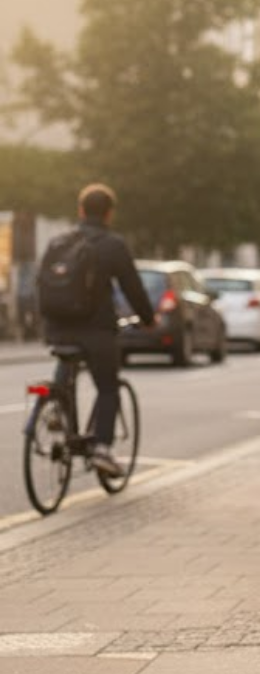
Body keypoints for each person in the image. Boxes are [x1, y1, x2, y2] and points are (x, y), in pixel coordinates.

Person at [41, 183, 156, 478]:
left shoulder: (59, 242)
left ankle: (56, 406)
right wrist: (147, 318)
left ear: (81, 210)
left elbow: (41, 284)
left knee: (66, 358)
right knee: (108, 387)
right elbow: (132, 287)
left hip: (58, 327)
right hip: (96, 330)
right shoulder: (112, 245)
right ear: (109, 214)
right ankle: (102, 449)